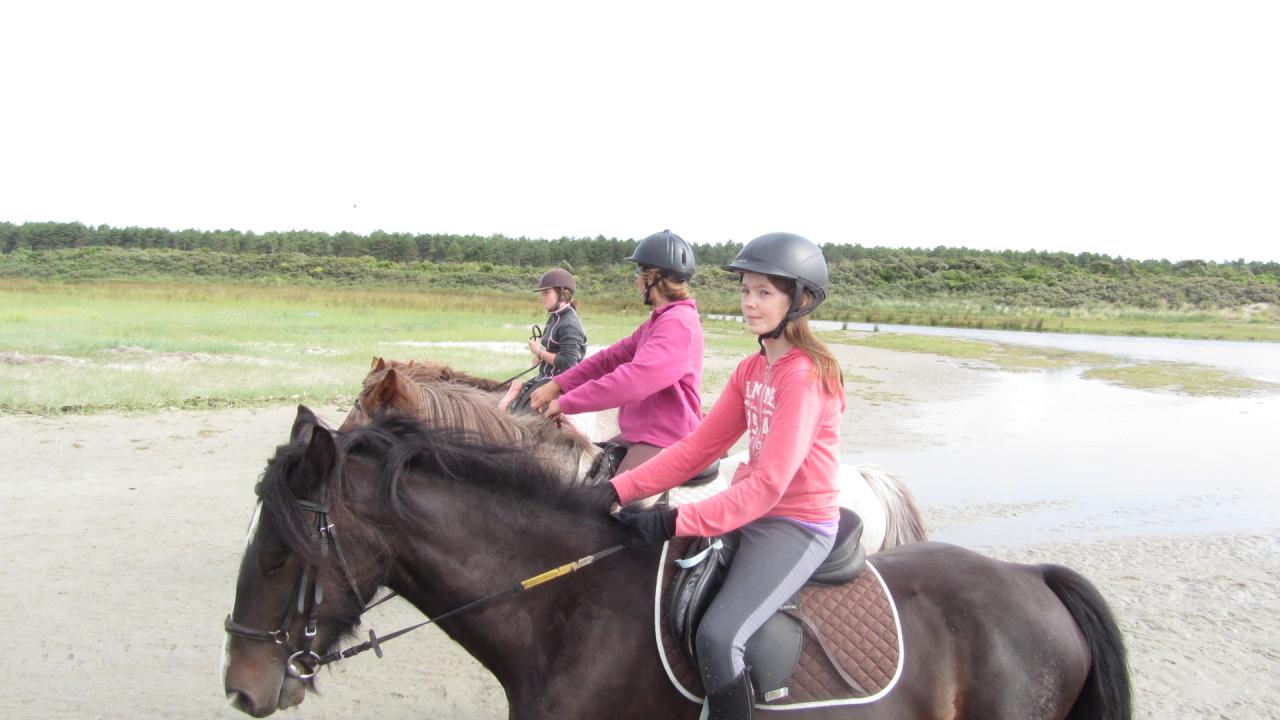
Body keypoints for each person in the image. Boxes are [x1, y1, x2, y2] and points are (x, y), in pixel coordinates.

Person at [584, 232, 844, 720]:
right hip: (751, 510)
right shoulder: (752, 369)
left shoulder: (804, 376)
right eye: (745, 290)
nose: (748, 302)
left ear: (800, 299)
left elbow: (768, 487)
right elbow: (696, 450)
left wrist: (671, 521)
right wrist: (614, 491)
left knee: (719, 636)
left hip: (796, 524)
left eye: (764, 292)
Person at [529, 229, 703, 474]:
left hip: (666, 436)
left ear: (651, 277)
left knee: (611, 505)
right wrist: (558, 384)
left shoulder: (678, 324)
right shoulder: (658, 322)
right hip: (641, 433)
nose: (636, 280)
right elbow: (608, 359)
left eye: (637, 272)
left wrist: (566, 402)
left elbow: (633, 381)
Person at [504, 268, 586, 414]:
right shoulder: (555, 317)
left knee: (522, 420)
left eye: (546, 292)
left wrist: (540, 352)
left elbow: (568, 363)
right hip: (546, 377)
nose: (542, 297)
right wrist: (540, 356)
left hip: (560, 383)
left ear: (562, 294)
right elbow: (554, 349)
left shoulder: (570, 324)